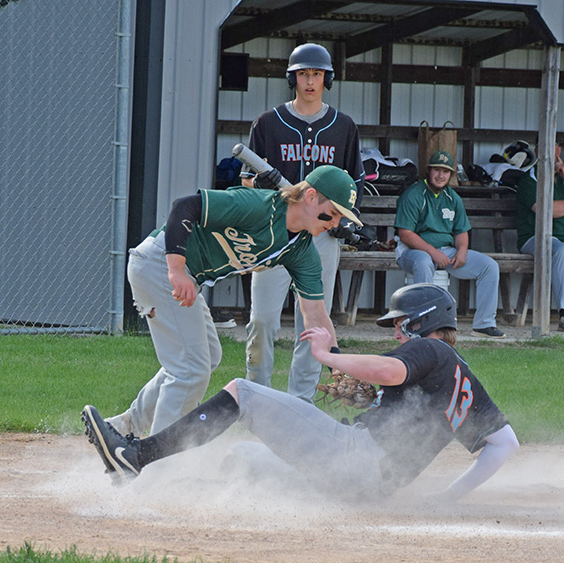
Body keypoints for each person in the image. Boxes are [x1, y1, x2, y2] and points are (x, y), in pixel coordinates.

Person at [82, 283, 519, 503]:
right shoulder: (461, 377)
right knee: (245, 460)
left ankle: (135, 456)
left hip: (353, 456)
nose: (397, 334)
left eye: (401, 325)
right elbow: (504, 444)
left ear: (422, 323)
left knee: (243, 393)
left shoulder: (430, 349)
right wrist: (446, 500)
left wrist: (326, 355)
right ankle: (174, 493)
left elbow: (390, 370)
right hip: (370, 488)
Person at [105, 166, 362, 437]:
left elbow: (316, 314)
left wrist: (338, 367)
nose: (336, 224)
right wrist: (176, 270)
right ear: (310, 196)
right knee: (190, 369)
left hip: (185, 275)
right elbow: (185, 207)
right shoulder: (259, 206)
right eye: (333, 213)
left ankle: (125, 426)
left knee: (207, 356)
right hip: (160, 263)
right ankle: (158, 453)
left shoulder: (302, 250)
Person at [240, 43, 365, 403]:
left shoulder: (343, 126)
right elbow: (245, 182)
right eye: (303, 74)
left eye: (317, 74)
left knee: (312, 323)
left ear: (327, 79)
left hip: (322, 236)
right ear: (292, 78)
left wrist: (344, 221)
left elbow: (355, 183)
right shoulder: (268, 123)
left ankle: (301, 403)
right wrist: (259, 183)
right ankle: (258, 398)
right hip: (275, 233)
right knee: (262, 319)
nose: (310, 81)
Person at [395, 150, 505, 339]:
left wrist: (461, 251)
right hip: (412, 251)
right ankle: (422, 324)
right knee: (424, 262)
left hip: (446, 251)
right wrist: (433, 253)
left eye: (445, 171)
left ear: (451, 174)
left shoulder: (453, 198)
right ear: (428, 170)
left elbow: (461, 231)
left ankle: (484, 324)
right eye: (437, 170)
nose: (440, 175)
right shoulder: (413, 194)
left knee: (489, 266)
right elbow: (405, 234)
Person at [515, 142, 564, 332]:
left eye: (555, 145)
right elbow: (546, 210)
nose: (552, 150)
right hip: (534, 238)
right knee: (560, 250)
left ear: (559, 150)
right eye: (546, 144)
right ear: (537, 150)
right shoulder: (530, 178)